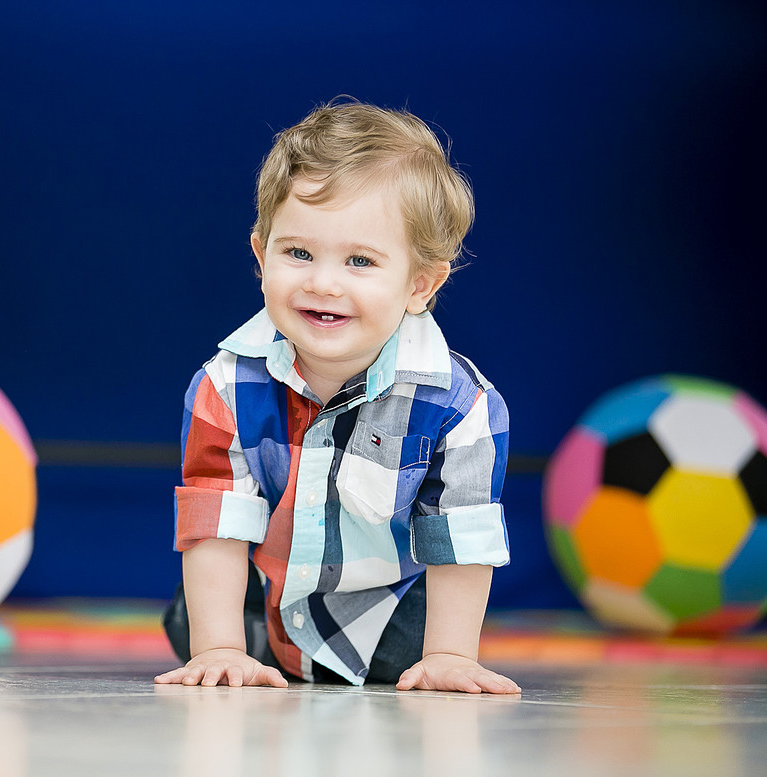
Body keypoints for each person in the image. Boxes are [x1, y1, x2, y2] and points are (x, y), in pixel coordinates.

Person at [154, 100, 521, 694]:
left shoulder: (459, 404)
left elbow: (459, 536)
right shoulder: (225, 385)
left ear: (420, 284)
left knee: (424, 640)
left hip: (390, 620)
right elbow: (217, 523)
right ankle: (231, 641)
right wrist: (218, 648)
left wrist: (451, 656)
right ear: (261, 254)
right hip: (260, 608)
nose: (323, 282)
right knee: (193, 618)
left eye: (360, 261)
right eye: (298, 252)